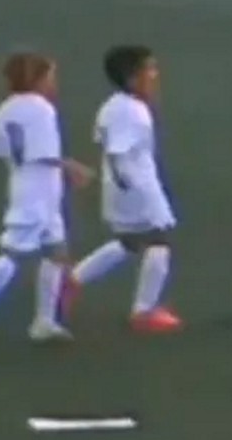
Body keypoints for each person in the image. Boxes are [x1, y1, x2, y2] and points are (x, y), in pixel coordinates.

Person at [0, 53, 93, 344]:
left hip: (26, 186)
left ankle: (45, 321)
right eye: (50, 76)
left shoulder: (8, 107)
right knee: (13, 254)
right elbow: (44, 153)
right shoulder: (42, 109)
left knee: (57, 252)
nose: (54, 83)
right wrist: (72, 168)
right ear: (37, 79)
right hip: (38, 195)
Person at [63, 45, 182, 334]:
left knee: (130, 242)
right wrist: (134, 189)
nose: (155, 75)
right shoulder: (133, 112)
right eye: (149, 69)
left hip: (121, 187)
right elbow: (118, 154)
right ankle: (144, 311)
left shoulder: (113, 106)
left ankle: (73, 280)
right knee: (159, 241)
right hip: (136, 188)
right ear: (132, 77)